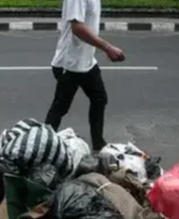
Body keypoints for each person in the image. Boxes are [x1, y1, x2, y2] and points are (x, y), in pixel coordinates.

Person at [44, 0, 125, 152]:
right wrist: (107, 48)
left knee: (99, 99)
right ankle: (42, 146)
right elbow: (78, 28)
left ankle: (98, 145)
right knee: (60, 108)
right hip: (70, 63)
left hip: (85, 62)